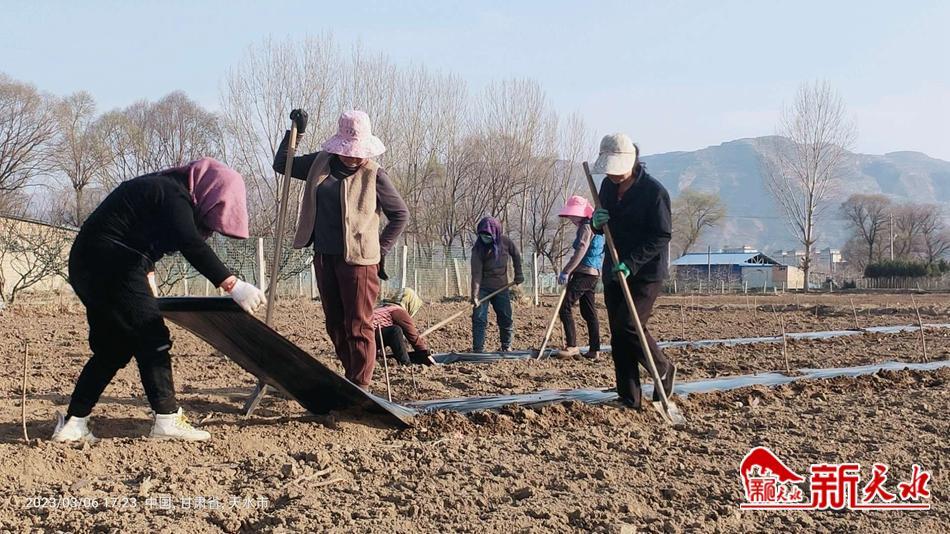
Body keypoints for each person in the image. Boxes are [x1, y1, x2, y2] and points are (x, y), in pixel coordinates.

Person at [53, 158, 266, 443]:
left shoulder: (158, 189)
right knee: (153, 338)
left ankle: (74, 422)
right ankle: (167, 419)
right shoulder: (172, 194)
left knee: (113, 347)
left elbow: (136, 233)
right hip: (113, 263)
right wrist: (232, 284)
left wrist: (148, 277)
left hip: (89, 264)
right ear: (211, 192)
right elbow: (190, 243)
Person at [273, 109, 408, 389]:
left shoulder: (374, 174)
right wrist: (296, 132)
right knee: (335, 323)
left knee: (358, 324)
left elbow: (400, 215)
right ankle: (351, 377)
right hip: (325, 256)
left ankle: (361, 384)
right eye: (348, 151)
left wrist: (381, 249)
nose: (353, 157)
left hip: (360, 262)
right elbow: (282, 164)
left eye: (358, 152)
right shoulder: (320, 163)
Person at [591, 133, 676, 409]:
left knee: (629, 324)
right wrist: (595, 223)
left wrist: (632, 263)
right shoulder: (607, 186)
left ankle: (662, 368)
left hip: (645, 272)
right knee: (618, 333)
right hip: (613, 268)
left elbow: (661, 235)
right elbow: (601, 226)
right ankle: (629, 396)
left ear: (632, 162)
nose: (612, 175)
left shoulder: (654, 193)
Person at [555, 195, 605, 359]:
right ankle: (594, 349)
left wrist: (567, 270)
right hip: (593, 273)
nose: (571, 218)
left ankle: (572, 346)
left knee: (565, 307)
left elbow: (581, 249)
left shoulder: (586, 226)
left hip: (584, 273)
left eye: (573, 215)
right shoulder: (595, 227)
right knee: (589, 311)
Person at [470, 216, 524, 353]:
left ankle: (506, 346)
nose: (485, 238)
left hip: (501, 287)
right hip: (483, 288)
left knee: (505, 316)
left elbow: (516, 255)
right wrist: (475, 295)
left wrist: (518, 274)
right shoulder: (478, 249)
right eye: (483, 235)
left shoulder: (505, 242)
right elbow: (476, 273)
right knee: (479, 318)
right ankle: (478, 349)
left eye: (488, 235)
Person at [372, 288, 434, 365]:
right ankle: (406, 363)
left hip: (362, 337)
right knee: (395, 331)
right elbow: (414, 339)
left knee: (392, 332)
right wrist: (425, 356)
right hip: (368, 337)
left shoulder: (384, 307)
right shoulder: (398, 311)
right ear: (410, 303)